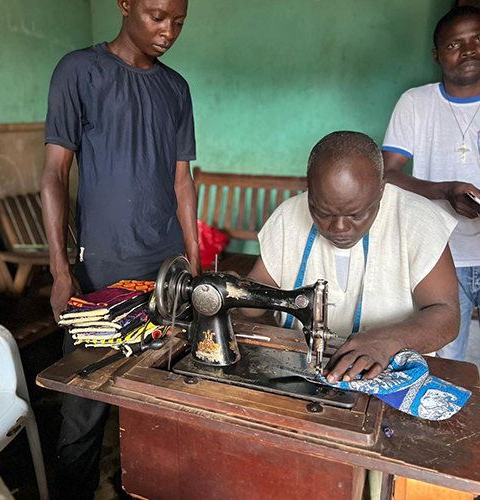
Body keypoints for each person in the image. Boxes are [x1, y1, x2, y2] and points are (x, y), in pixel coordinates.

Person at [41, 0, 200, 498]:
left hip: (164, 271)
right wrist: (60, 272)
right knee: (84, 404)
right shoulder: (79, 71)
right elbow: (54, 174)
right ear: (125, 5)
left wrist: (194, 262)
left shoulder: (175, 88)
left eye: (178, 21)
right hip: (101, 274)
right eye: (157, 16)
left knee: (160, 396)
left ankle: (142, 486)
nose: (168, 31)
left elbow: (182, 183)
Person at [247, 131, 460, 384]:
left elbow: (447, 314)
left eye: (356, 215)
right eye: (322, 212)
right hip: (302, 373)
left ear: (381, 190)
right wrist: (220, 295)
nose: (338, 227)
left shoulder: (419, 221)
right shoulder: (288, 217)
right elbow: (254, 297)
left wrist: (389, 341)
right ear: (309, 188)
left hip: (392, 377)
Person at [382, 6, 480, 361]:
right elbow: (387, 174)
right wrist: (443, 191)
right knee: (443, 360)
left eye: (477, 39)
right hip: (440, 257)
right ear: (438, 55)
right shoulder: (416, 103)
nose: (469, 49)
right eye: (455, 44)